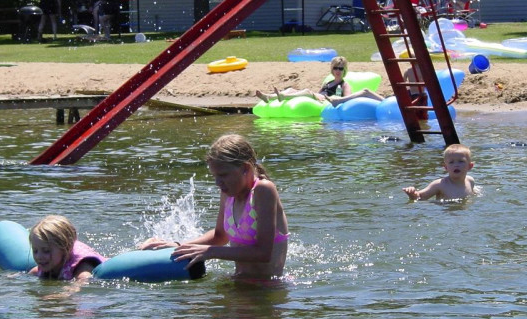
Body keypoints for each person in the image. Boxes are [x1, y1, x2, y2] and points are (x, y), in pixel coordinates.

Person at [139, 134, 289, 279]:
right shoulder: (229, 193)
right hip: (238, 282)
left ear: (245, 168)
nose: (218, 182)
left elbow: (263, 253)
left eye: (223, 175)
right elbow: (220, 236)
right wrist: (177, 246)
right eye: (214, 176)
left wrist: (211, 252)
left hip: (266, 290)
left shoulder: (263, 190)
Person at [256, 56, 384, 107]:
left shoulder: (344, 84)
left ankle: (282, 96)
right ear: (332, 69)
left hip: (325, 100)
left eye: (340, 68)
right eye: (335, 68)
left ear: (344, 70)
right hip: (319, 97)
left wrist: (329, 97)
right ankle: (269, 97)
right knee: (291, 89)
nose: (338, 71)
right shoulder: (328, 82)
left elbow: (347, 98)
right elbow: (319, 92)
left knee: (306, 91)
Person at [28, 215, 107, 280]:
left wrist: (63, 294)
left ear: (65, 247)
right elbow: (34, 272)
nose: (39, 256)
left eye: (46, 251)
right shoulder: (46, 263)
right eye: (35, 251)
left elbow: (83, 281)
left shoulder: (81, 266)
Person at [403, 144, 476, 201]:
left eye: (461, 161)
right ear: (446, 167)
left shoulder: (470, 181)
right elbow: (420, 197)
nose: (456, 165)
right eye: (451, 162)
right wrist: (412, 193)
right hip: (446, 215)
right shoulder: (440, 184)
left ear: (470, 166)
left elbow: (473, 193)